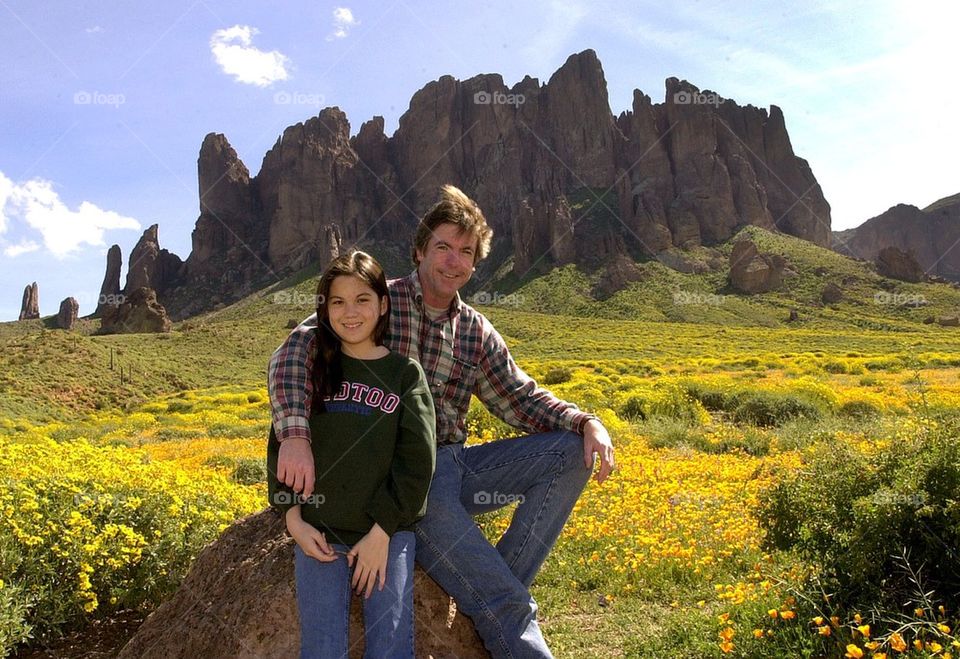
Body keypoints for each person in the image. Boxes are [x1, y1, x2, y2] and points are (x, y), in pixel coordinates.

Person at [269, 185, 615, 658]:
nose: (453, 262)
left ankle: (488, 593)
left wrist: (586, 422)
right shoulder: (375, 303)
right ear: (419, 250)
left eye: (466, 253)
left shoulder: (474, 330)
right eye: (443, 247)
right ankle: (497, 602)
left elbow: (518, 398)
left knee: (571, 452)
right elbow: (293, 350)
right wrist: (294, 435)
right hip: (408, 478)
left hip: (453, 464)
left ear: (476, 264)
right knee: (504, 601)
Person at [266, 250, 436, 659]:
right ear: (324, 311)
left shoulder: (404, 373)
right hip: (319, 533)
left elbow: (417, 460)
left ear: (382, 304)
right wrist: (293, 520)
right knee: (322, 647)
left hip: (386, 533)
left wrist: (382, 531)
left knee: (390, 643)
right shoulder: (312, 367)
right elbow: (281, 446)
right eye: (337, 302)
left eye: (362, 299)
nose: (350, 312)